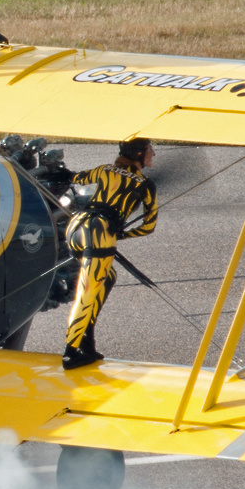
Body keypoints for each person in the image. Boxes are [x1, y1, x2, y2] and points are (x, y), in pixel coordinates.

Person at [61, 137, 159, 369]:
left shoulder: (105, 170)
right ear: (138, 155)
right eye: (149, 150)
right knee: (88, 292)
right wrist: (121, 235)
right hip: (99, 234)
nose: (153, 153)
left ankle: (87, 340)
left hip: (75, 227)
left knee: (109, 277)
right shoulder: (145, 184)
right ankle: (71, 352)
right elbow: (148, 226)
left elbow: (75, 178)